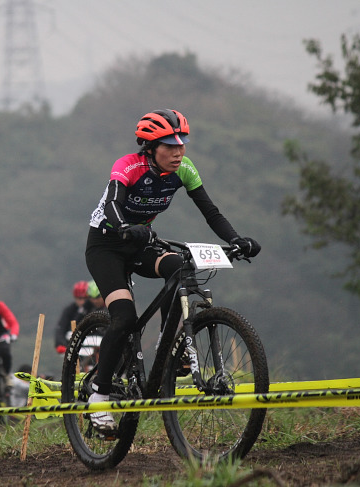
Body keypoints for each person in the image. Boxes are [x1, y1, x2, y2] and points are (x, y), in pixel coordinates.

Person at [84, 109, 261, 433]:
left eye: (182, 144)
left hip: (141, 242)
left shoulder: (185, 170)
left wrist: (237, 240)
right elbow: (112, 203)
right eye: (170, 145)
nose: (178, 151)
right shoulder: (129, 166)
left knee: (179, 266)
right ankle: (99, 394)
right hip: (107, 244)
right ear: (150, 147)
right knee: (123, 317)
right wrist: (124, 226)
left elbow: (211, 212)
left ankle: (169, 349)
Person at [54, 280, 94, 355]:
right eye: (79, 299)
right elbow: (61, 327)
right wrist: (60, 343)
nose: (82, 302)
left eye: (84, 299)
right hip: (74, 345)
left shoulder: (94, 309)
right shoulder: (69, 310)